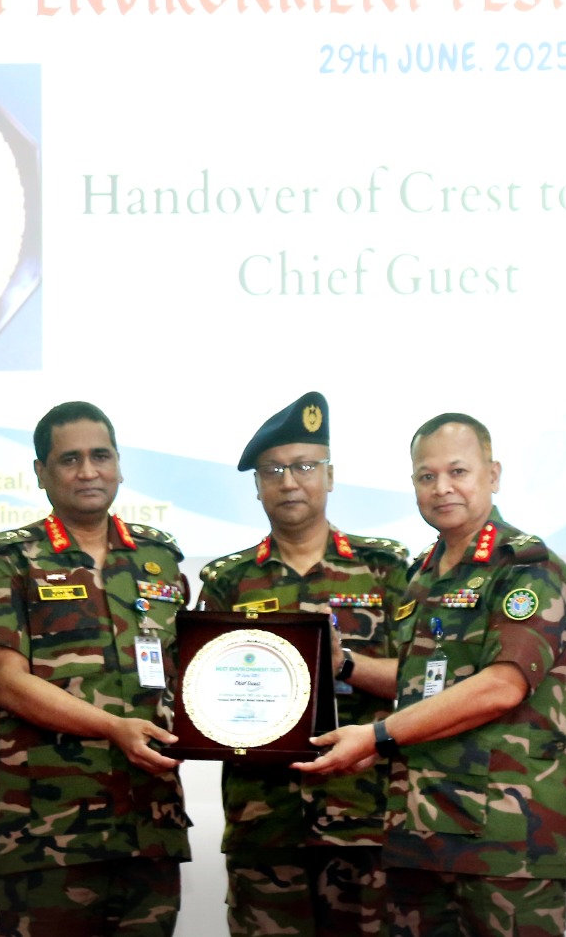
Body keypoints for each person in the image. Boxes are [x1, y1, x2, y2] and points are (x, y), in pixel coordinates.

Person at [293, 413, 566, 937]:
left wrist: (377, 736)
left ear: (493, 474)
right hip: (419, 830)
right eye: (427, 476)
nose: (442, 487)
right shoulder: (421, 576)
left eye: (458, 471)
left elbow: (501, 687)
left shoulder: (527, 568)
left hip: (504, 837)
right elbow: (418, 683)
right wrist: (345, 665)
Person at [0, 401, 191, 937]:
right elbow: (5, 681)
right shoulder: (8, 561)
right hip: (50, 830)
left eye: (100, 456)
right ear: (41, 472)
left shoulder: (159, 560)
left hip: (150, 823)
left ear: (119, 465)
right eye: (70, 460)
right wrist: (113, 727)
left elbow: (189, 673)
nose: (88, 471)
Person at [199, 391, 410, 936]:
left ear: (330, 476)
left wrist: (345, 664)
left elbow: (422, 685)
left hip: (367, 819)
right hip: (265, 824)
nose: (289, 481)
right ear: (257, 486)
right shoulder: (227, 581)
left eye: (305, 466)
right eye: (273, 470)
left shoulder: (385, 568)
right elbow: (202, 696)